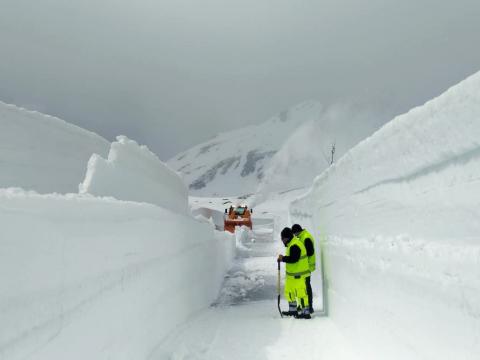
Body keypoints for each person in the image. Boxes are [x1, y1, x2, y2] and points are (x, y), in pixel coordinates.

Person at [277, 227, 311, 319]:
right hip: (292, 277)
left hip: (299, 276)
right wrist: (282, 258)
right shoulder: (291, 244)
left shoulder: (295, 245)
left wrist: (283, 258)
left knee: (301, 294)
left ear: (286, 238)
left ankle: (305, 312)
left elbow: (294, 259)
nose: (282, 241)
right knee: (289, 292)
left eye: (282, 239)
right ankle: (293, 311)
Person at [292, 224, 316, 313]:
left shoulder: (306, 238)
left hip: (307, 266)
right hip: (305, 267)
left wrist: (300, 256)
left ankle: (309, 307)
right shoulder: (303, 237)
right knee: (304, 287)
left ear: (297, 231)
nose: (295, 236)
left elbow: (310, 252)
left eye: (295, 234)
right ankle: (304, 306)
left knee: (306, 287)